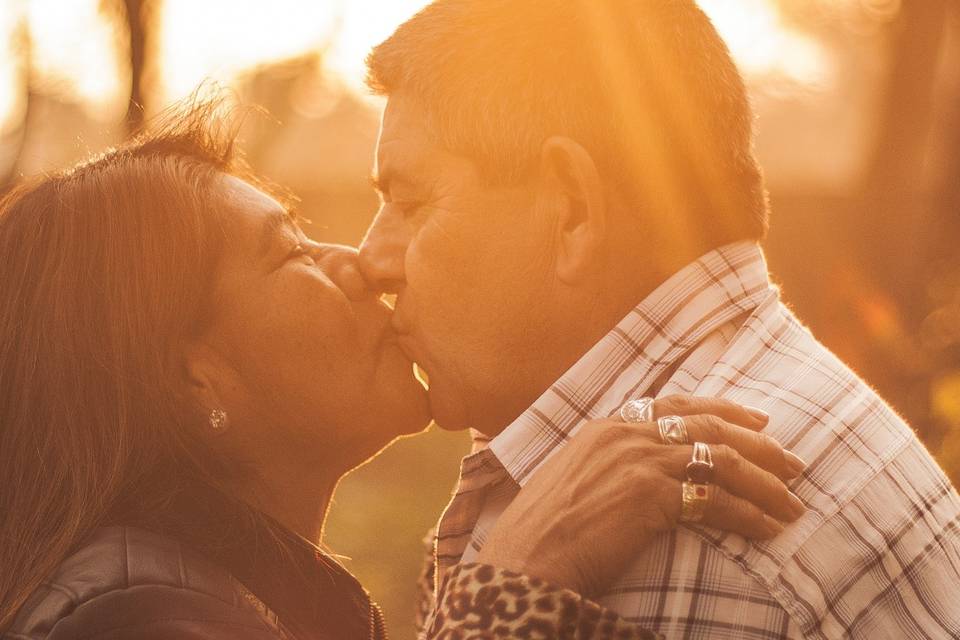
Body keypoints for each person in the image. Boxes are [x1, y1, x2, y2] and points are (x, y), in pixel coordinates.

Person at [0, 102, 804, 640]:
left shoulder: (218, 594)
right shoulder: (135, 620)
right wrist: (504, 597)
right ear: (195, 379)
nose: (361, 262)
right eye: (289, 254)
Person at [357, 0, 960, 637]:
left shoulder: (675, 535)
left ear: (574, 208)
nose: (372, 259)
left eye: (409, 201)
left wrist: (503, 601)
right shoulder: (745, 407)